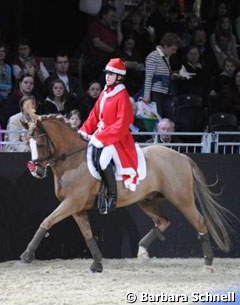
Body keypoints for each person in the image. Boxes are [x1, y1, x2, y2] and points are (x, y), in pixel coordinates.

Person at [78, 58, 138, 214]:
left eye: (111, 74)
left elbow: (123, 122)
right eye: (107, 74)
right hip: (102, 134)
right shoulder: (105, 92)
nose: (107, 76)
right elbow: (94, 115)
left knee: (103, 160)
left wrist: (102, 137)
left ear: (119, 77)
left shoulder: (122, 95)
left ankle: (112, 197)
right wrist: (83, 131)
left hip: (117, 138)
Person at [143, 32, 181, 122]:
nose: (174, 52)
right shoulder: (153, 56)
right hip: (155, 93)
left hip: (164, 93)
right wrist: (146, 96)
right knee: (157, 118)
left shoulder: (166, 57)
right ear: (165, 46)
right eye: (173, 49)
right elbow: (149, 77)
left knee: (169, 119)